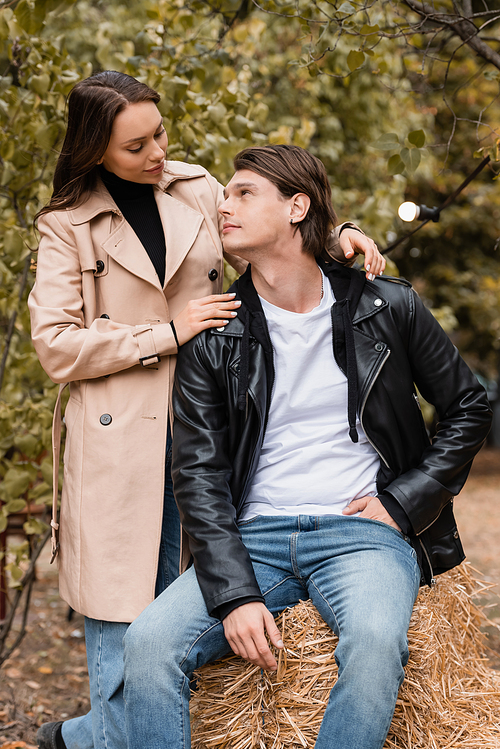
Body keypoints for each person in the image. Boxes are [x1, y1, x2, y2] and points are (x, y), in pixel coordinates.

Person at [28, 73, 382, 749]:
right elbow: (55, 347)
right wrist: (169, 331)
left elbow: (273, 225)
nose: (157, 151)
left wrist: (340, 237)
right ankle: (90, 732)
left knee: (187, 634)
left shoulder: (193, 186)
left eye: (158, 132)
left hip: (218, 430)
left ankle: (76, 737)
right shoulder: (65, 226)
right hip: (117, 447)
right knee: (128, 638)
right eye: (136, 146)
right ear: (96, 149)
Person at [122, 144, 492, 749]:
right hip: (255, 537)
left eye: (245, 192)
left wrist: (402, 505)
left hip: (363, 534)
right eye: (226, 192)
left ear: (297, 207)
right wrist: (235, 593)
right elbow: (197, 472)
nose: (225, 203)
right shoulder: (216, 333)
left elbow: (468, 405)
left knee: (374, 646)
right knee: (148, 647)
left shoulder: (387, 306)